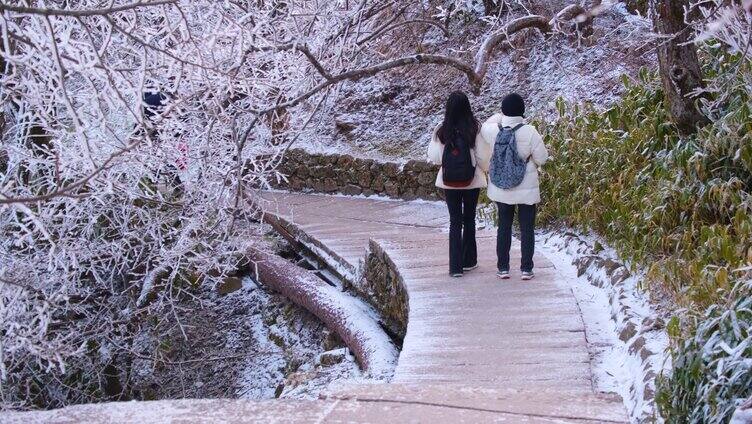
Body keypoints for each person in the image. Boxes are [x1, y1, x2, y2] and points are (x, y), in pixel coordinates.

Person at [480, 93, 549, 281]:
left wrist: (498, 117)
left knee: (504, 227)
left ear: (503, 110)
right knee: (527, 228)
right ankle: (526, 269)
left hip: (502, 188)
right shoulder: (531, 131)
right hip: (526, 188)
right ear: (522, 110)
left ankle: (503, 268)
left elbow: (483, 127)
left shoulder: (494, 130)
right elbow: (542, 158)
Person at [427, 91, 490, 278]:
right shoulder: (475, 128)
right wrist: (481, 168)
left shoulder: (441, 129)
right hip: (471, 181)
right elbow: (483, 158)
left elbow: (436, 158)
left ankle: (455, 267)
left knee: (455, 221)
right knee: (469, 219)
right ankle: (469, 261)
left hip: (449, 181)